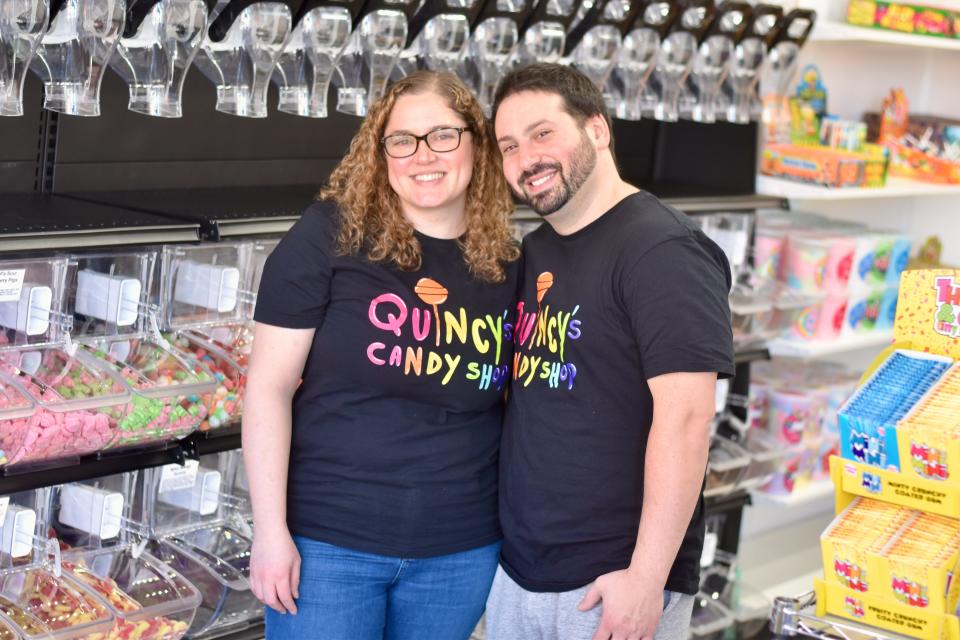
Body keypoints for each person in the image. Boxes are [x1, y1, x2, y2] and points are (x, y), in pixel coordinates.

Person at [242, 70, 520, 640]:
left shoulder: (511, 266)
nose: (423, 155)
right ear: (381, 153)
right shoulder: (330, 237)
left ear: (476, 142)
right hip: (328, 544)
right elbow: (268, 388)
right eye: (403, 140)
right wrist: (270, 533)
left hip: (461, 550)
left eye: (443, 135)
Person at [487, 63, 735, 640]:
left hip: (611, 580)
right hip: (521, 571)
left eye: (543, 133)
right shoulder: (537, 249)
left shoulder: (663, 250)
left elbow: (688, 420)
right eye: (509, 146)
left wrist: (646, 579)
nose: (527, 159)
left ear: (597, 130)